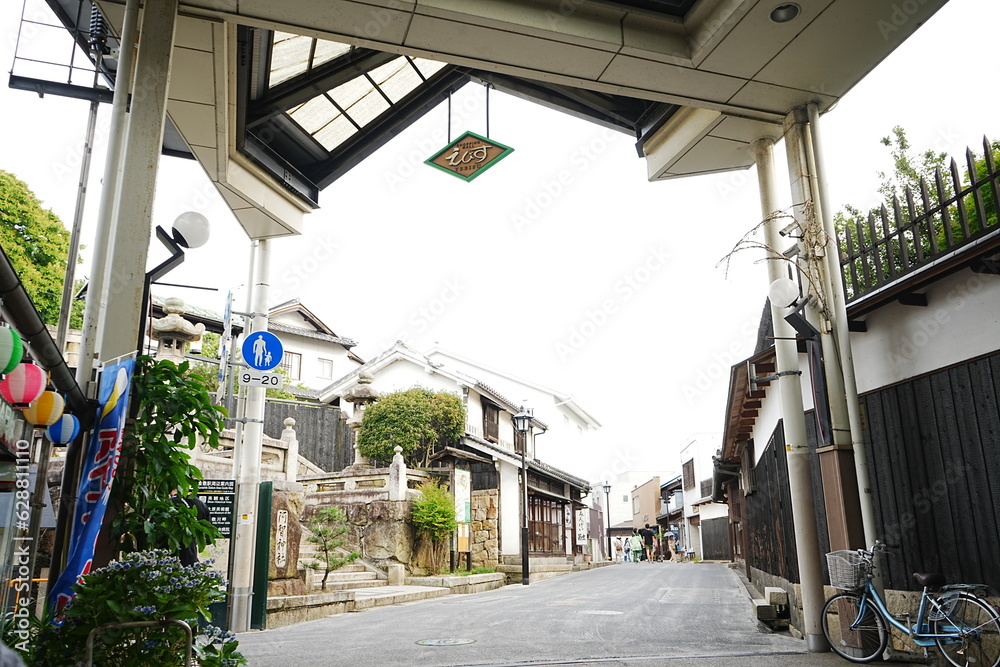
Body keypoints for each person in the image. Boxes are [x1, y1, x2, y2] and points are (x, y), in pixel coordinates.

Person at [169, 489, 211, 566]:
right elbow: (209, 538)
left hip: (170, 557)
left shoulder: (169, 503)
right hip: (191, 556)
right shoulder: (200, 504)